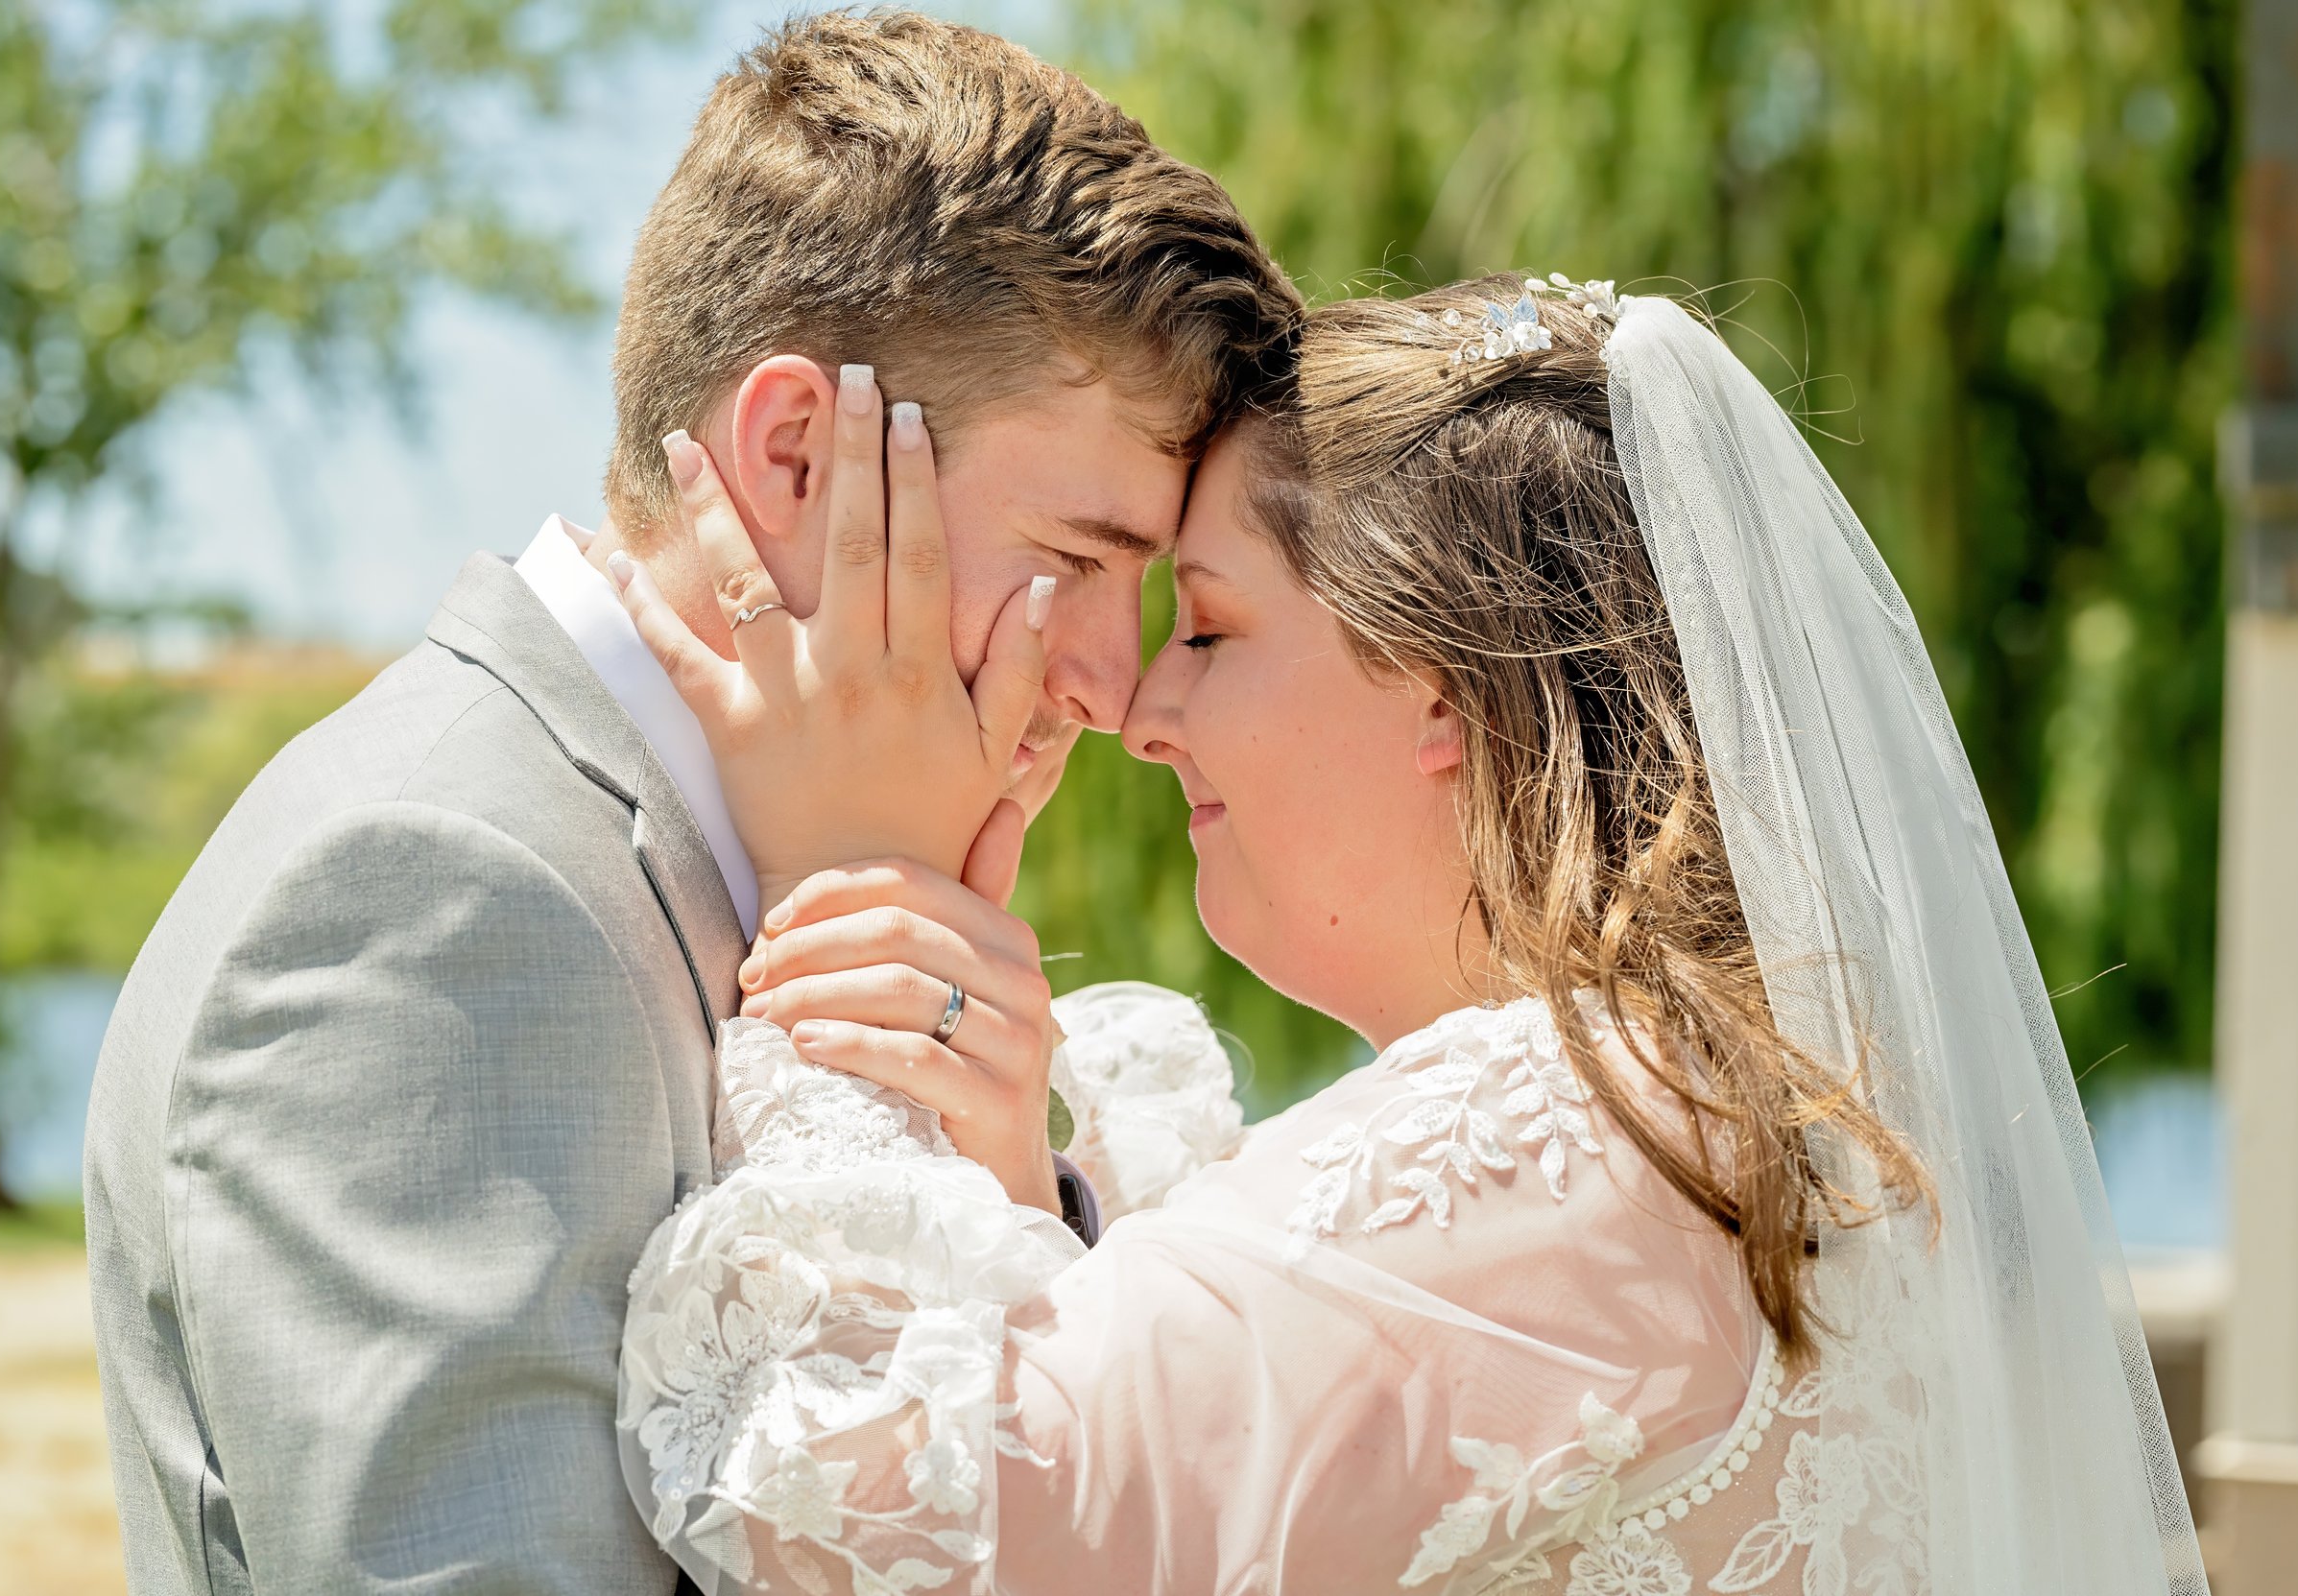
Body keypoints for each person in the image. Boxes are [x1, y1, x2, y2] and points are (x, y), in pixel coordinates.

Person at [610, 278, 2211, 1593]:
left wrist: (849, 879)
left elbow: (847, 1516)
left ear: (1439, 686)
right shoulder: (1703, 1120)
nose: (1144, 710)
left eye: (1216, 627)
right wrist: (1016, 1202)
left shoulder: (1571, 1135)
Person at [79, 12, 1300, 1593]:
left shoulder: (780, 855)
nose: (1110, 687)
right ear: (795, 455)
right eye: (1074, 562)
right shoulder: (437, 893)